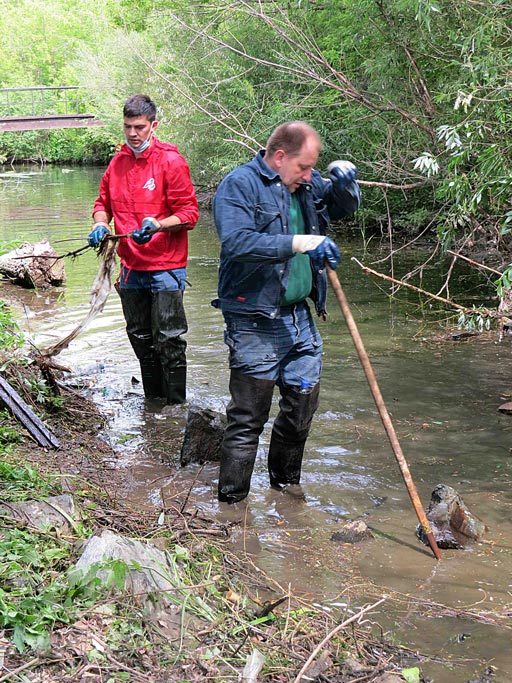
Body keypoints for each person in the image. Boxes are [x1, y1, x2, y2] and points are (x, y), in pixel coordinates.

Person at [212, 121, 360, 503]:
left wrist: (346, 187)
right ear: (279, 157)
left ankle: (286, 491)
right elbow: (237, 242)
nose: (310, 175)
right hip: (253, 319)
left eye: (313, 168)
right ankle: (232, 507)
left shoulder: (305, 184)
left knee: (300, 411)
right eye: (304, 167)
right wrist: (301, 241)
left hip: (299, 318)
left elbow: (341, 209)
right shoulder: (239, 185)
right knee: (248, 418)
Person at [88, 94, 199, 405]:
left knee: (169, 339)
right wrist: (101, 225)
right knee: (140, 337)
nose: (133, 133)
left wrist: (158, 226)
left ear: (153, 126)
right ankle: (154, 403)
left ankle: (176, 408)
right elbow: (102, 205)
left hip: (166, 266)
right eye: (127, 127)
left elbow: (189, 214)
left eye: (139, 127)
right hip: (131, 268)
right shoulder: (117, 163)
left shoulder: (171, 162)